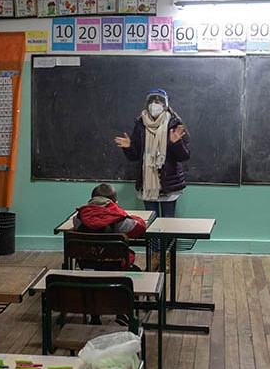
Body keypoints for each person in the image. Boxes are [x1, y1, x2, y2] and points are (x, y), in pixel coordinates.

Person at [113, 89, 189, 271]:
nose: (155, 105)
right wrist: (128, 147)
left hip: (168, 183)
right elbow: (135, 156)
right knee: (152, 223)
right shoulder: (140, 124)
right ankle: (155, 257)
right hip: (148, 183)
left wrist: (176, 143)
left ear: (165, 104)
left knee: (168, 223)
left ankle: (166, 257)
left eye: (159, 101)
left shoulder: (174, 124)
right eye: (152, 101)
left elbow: (184, 156)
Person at [72, 183, 147, 271]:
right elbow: (140, 228)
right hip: (116, 267)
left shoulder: (79, 219)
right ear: (115, 202)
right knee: (137, 271)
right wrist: (123, 213)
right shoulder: (119, 221)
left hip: (86, 265)